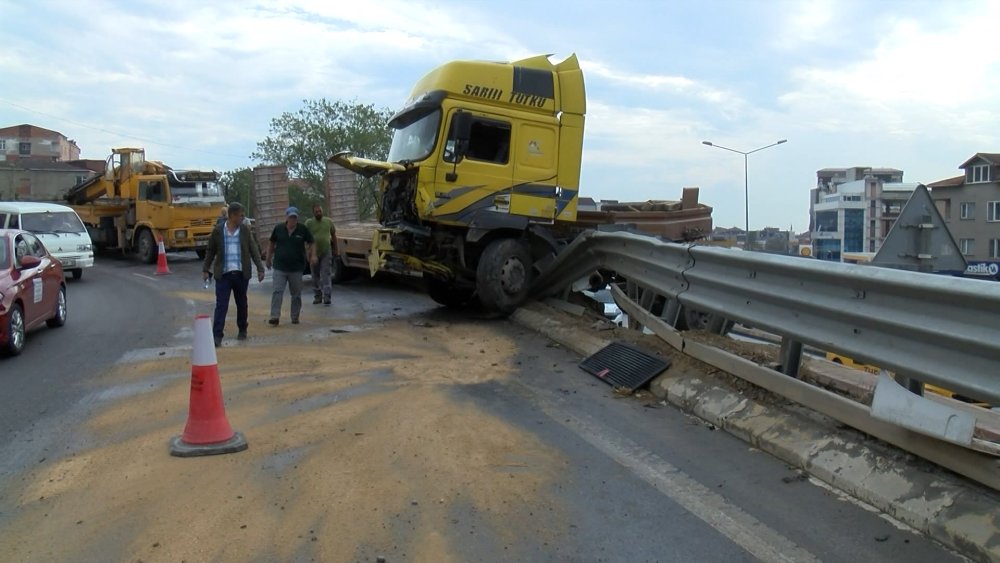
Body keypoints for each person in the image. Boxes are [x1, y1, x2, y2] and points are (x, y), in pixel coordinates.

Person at [202, 202, 266, 347]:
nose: (242, 218)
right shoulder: (218, 231)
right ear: (232, 215)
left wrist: (260, 268)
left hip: (240, 274)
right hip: (223, 274)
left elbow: (253, 249)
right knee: (221, 305)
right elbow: (210, 250)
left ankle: (242, 328)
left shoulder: (244, 230)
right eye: (240, 215)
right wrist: (206, 269)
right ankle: (217, 335)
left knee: (242, 303)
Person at [266, 206, 315, 325]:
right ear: (286, 217)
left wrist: (313, 255)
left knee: (296, 294)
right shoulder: (278, 228)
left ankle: (295, 316)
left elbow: (312, 242)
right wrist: (268, 258)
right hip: (280, 266)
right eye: (291, 217)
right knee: (277, 291)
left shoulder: (302, 229)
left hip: (296, 268)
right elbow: (272, 243)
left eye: (295, 217)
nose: (293, 220)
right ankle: (275, 316)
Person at [304, 203, 338, 305]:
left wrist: (336, 249)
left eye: (320, 211)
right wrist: (307, 252)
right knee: (315, 275)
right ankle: (317, 296)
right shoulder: (309, 223)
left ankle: (327, 296)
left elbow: (334, 236)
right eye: (316, 211)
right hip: (313, 253)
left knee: (326, 274)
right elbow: (304, 239)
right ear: (313, 213)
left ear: (323, 211)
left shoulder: (328, 221)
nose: (319, 213)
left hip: (326, 251)